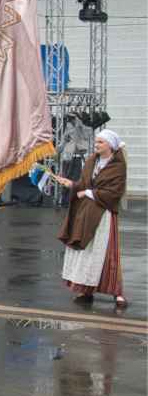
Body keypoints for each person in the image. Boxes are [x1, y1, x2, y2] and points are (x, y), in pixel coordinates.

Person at [57, 129, 129, 312]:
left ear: (111, 146)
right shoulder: (91, 161)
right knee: (87, 253)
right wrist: (71, 184)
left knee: (107, 254)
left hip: (104, 214)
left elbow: (114, 192)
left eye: (100, 142)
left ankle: (117, 292)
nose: (96, 145)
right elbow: (83, 184)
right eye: (96, 142)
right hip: (86, 213)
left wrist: (88, 193)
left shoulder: (118, 166)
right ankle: (86, 290)